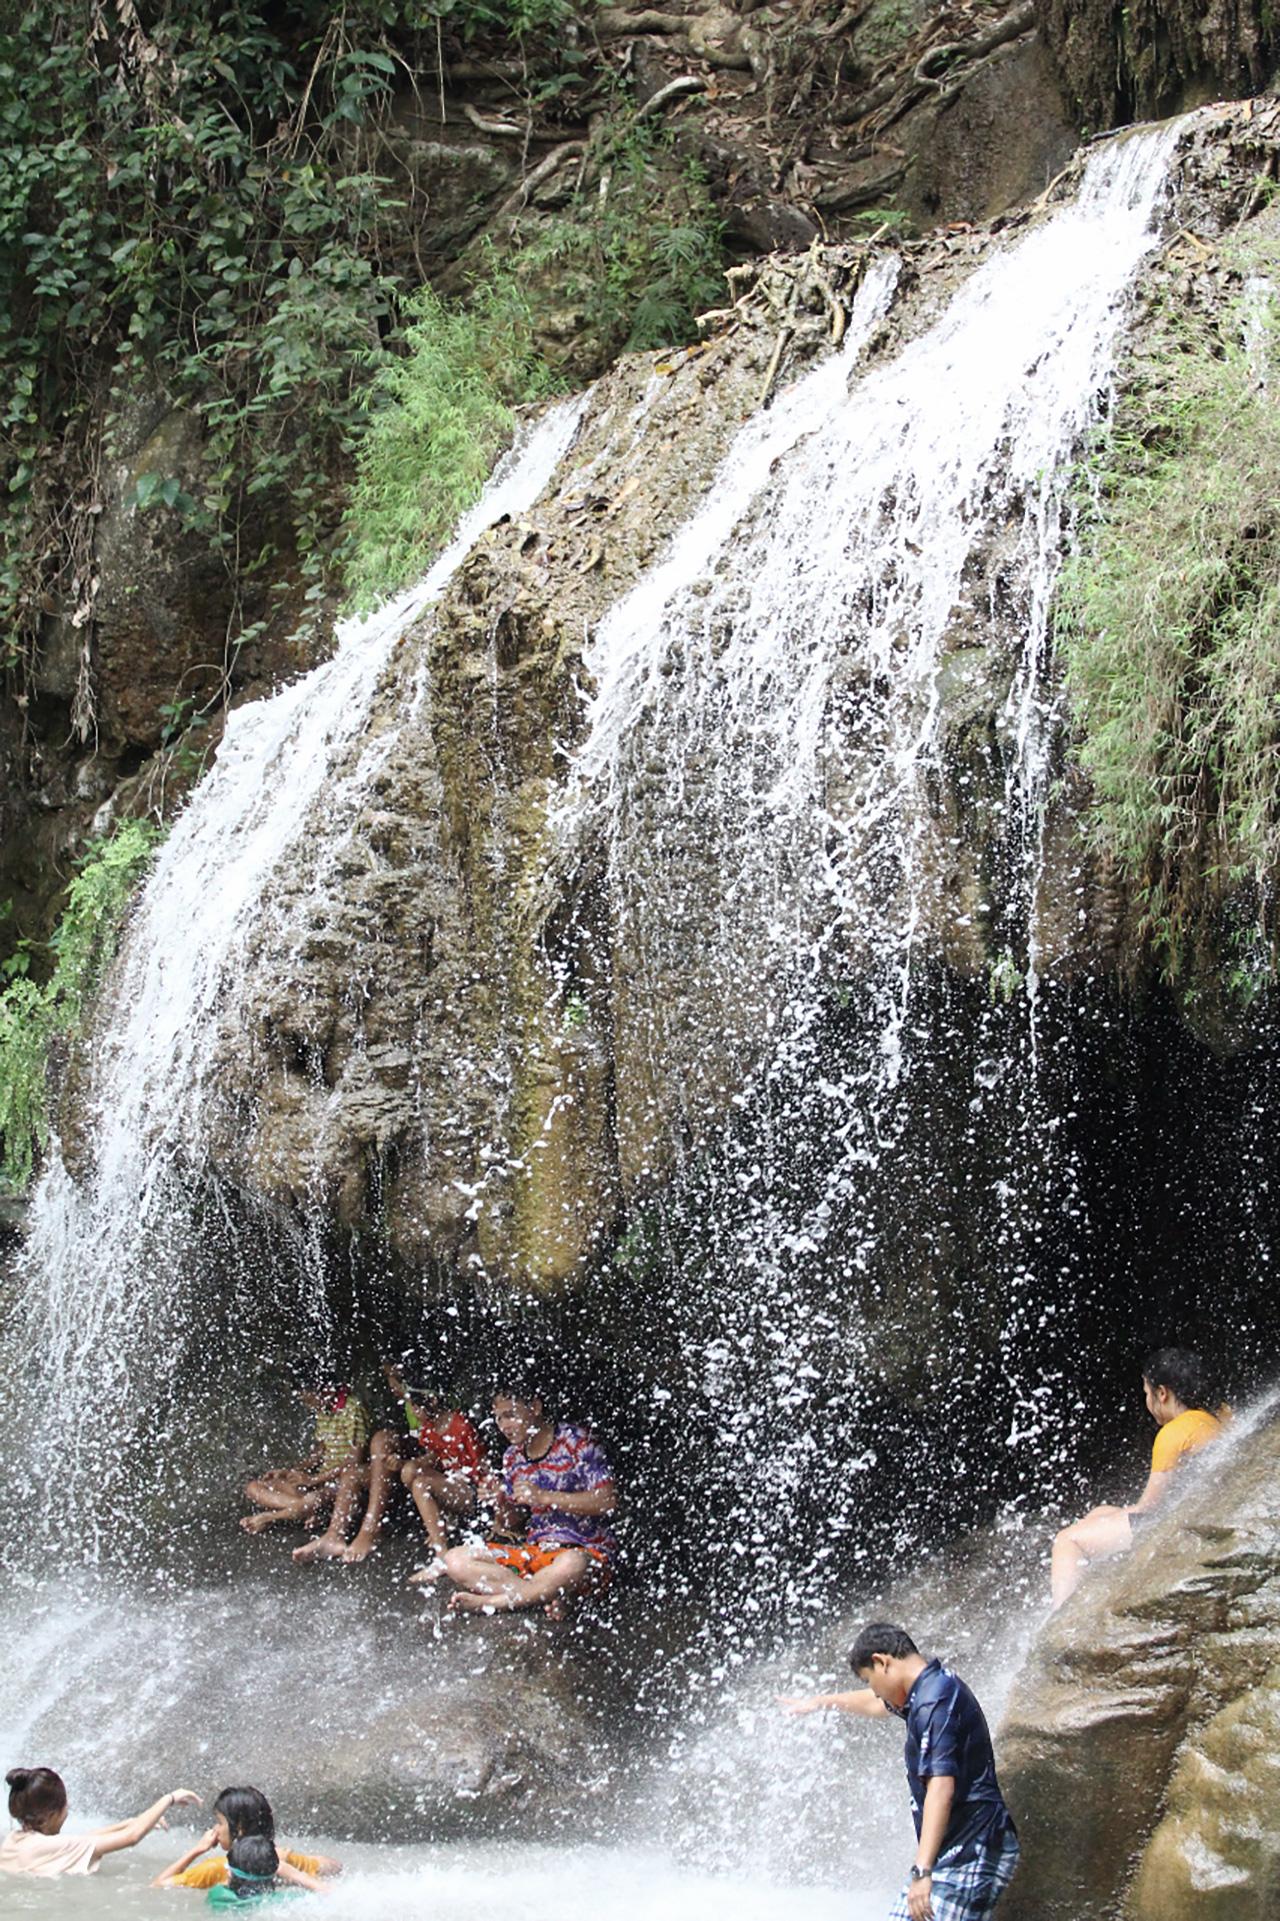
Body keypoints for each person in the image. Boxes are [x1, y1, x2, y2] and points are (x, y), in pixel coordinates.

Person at [779, 1624, 1019, 1921]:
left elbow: (941, 1788)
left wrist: (922, 1871)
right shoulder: (926, 1690)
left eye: (870, 1681)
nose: (874, 1691)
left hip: (974, 1850)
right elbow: (875, 1703)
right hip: (953, 1852)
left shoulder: (934, 1702)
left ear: (882, 1662)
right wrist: (820, 1702)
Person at [1049, 1346, 1226, 1609]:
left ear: (1162, 1393)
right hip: (1199, 1509)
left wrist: (1119, 1515)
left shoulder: (1174, 1433)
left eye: (1146, 1393)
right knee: (1099, 1513)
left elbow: (1149, 1508)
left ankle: (1059, 1616)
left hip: (1173, 1521)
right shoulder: (1219, 1415)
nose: (1147, 1401)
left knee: (1067, 1540)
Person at [442, 1385, 618, 1617]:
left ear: (535, 1407)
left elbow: (607, 1501)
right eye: (498, 1418)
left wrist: (544, 1496)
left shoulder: (576, 1441)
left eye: (510, 1415)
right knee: (454, 1559)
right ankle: (545, 1595)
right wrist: (500, 1502)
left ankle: (497, 1602)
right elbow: (512, 1523)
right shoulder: (512, 1456)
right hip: (536, 1554)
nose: (504, 1426)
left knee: (571, 1564)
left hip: (584, 1554)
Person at [0, 1765, 200, 1877]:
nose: (68, 1809)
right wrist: (170, 1799)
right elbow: (132, 1838)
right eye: (65, 1805)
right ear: (51, 1815)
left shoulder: (14, 1840)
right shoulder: (46, 1846)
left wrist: (133, 1821)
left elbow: (82, 1840)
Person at [154, 1784, 340, 1891]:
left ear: (239, 1828)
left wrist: (196, 1850)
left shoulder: (217, 1868)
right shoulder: (280, 1859)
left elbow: (158, 1886)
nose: (215, 1829)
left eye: (219, 1822)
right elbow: (335, 1866)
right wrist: (291, 1864)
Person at [241, 1384, 372, 1536]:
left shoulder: (353, 1409)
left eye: (308, 1400)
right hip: (320, 1482)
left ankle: (271, 1518)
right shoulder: (325, 1408)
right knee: (253, 1487)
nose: (307, 1405)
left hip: (342, 1485)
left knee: (313, 1498)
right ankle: (311, 1511)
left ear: (326, 1391)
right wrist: (290, 1472)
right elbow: (320, 1452)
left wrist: (313, 1480)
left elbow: (354, 1462)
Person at [205, 1834, 310, 1906]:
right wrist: (297, 1875)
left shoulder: (217, 1896)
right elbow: (320, 1890)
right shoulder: (287, 1901)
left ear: (230, 1873)